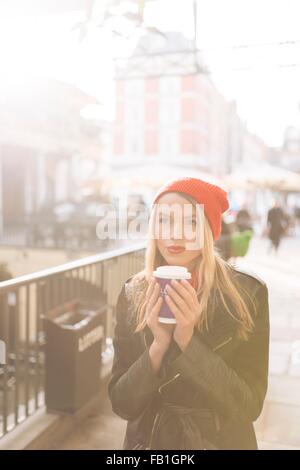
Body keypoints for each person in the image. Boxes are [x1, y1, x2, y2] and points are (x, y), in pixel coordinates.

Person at [108, 177, 270, 450]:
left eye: (191, 222)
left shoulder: (247, 293)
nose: (175, 233)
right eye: (165, 220)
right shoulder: (133, 292)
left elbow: (248, 406)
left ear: (208, 230)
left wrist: (187, 342)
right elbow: (122, 403)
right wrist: (158, 347)